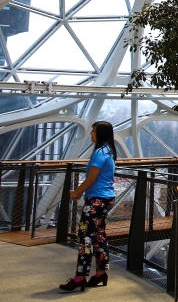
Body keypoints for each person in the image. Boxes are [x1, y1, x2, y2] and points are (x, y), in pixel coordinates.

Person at [60, 121, 118, 291]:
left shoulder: (99, 153)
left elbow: (92, 179)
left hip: (96, 199)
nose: (91, 134)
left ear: (100, 134)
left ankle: (80, 277)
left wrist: (77, 192)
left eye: (93, 131)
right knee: (99, 236)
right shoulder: (109, 151)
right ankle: (100, 273)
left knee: (85, 237)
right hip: (106, 198)